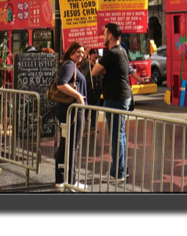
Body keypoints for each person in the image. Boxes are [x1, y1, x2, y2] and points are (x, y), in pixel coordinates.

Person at [92, 23, 131, 182]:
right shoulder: (122, 50)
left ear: (110, 36)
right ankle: (122, 170)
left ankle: (118, 174)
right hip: (121, 97)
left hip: (115, 98)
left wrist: (101, 67)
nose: (103, 35)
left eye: (104, 32)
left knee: (116, 136)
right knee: (120, 134)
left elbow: (94, 71)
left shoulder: (111, 53)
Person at [55, 42, 87, 190]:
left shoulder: (69, 64)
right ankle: (71, 181)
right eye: (77, 52)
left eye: (82, 52)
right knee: (73, 145)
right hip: (73, 110)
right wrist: (79, 96)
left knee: (65, 143)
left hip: (67, 109)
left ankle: (61, 179)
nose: (80, 55)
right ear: (70, 52)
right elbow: (61, 84)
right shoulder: (69, 65)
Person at [80, 48, 102, 132]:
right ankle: (83, 126)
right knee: (85, 109)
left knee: (95, 110)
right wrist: (86, 51)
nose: (95, 56)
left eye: (97, 54)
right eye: (94, 54)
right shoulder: (86, 64)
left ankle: (93, 126)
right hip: (87, 89)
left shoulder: (98, 65)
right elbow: (80, 63)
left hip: (96, 90)